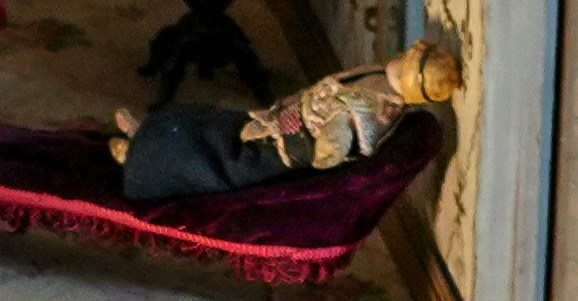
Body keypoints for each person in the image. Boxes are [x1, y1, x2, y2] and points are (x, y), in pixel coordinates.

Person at [108, 34, 458, 204]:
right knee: (208, 120)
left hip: (277, 153)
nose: (402, 56)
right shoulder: (379, 79)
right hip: (275, 122)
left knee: (209, 158)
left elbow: (330, 153)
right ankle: (147, 134)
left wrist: (306, 131)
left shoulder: (373, 111)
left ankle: (141, 161)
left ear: (413, 80)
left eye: (409, 61)